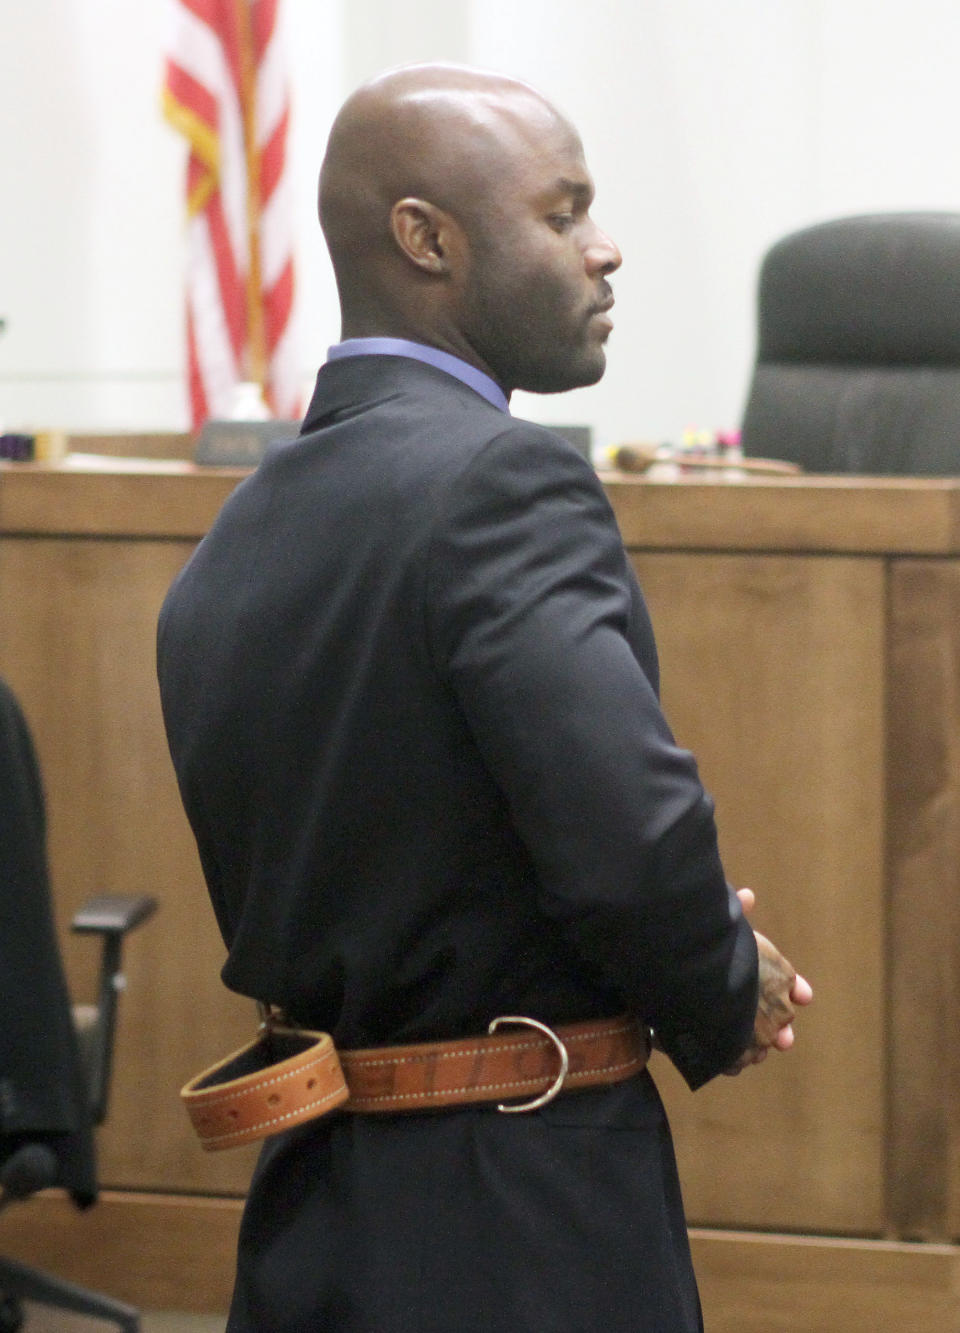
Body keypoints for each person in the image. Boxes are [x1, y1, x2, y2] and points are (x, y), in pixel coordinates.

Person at [157, 63, 812, 1333]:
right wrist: (725, 982)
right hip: (520, 1207)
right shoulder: (504, 483)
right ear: (427, 239)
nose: (605, 248)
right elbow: (630, 834)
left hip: (311, 1214)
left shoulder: (231, 539)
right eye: (563, 213)